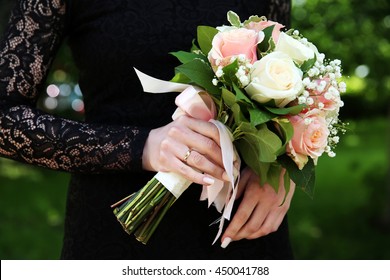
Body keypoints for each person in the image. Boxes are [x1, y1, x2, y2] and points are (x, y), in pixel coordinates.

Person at [0, 0, 295, 259]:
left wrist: (284, 166)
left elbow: (294, 78)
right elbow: (5, 118)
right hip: (118, 231)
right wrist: (144, 146)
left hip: (244, 228)